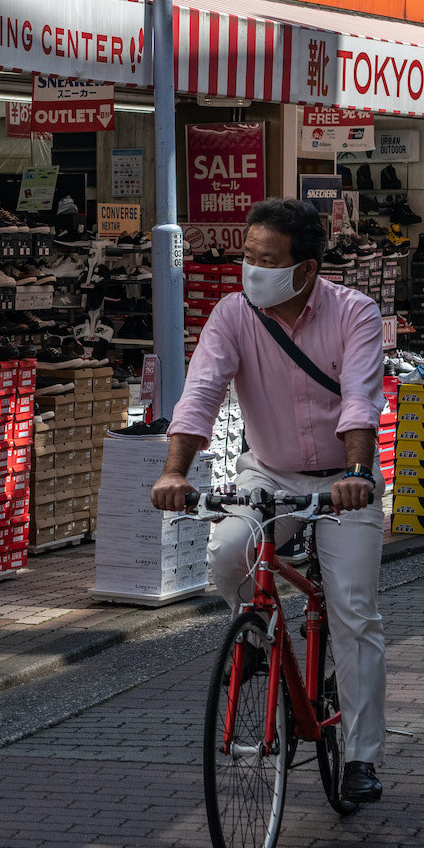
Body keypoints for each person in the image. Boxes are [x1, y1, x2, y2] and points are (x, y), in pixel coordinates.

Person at [150, 197, 388, 805]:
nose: (252, 269)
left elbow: (361, 398)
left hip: (343, 480)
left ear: (305, 270)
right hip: (268, 474)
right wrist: (174, 471)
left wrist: (358, 472)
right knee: (229, 553)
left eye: (266, 260)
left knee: (353, 611)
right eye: (247, 257)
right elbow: (201, 391)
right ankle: (253, 639)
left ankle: (361, 757)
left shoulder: (354, 313)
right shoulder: (233, 314)